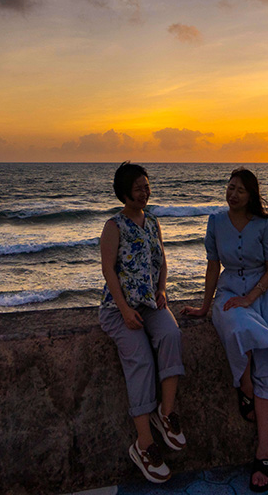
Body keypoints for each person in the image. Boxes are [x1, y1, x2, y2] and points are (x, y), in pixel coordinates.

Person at [181, 168, 268, 493]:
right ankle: (244, 385)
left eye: (240, 189)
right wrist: (204, 306)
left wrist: (251, 297)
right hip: (228, 292)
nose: (233, 193)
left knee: (267, 363)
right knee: (239, 327)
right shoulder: (215, 222)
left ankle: (263, 452)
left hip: (261, 295)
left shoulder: (263, 225)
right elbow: (213, 265)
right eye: (230, 187)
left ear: (251, 194)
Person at [100, 162, 187, 483]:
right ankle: (144, 445)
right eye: (139, 188)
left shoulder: (152, 222)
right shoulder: (114, 226)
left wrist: (162, 288)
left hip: (150, 303)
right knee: (140, 360)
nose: (145, 192)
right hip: (118, 309)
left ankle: (165, 414)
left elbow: (161, 260)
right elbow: (109, 271)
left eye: (147, 186)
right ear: (124, 192)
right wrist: (123, 309)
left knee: (171, 336)